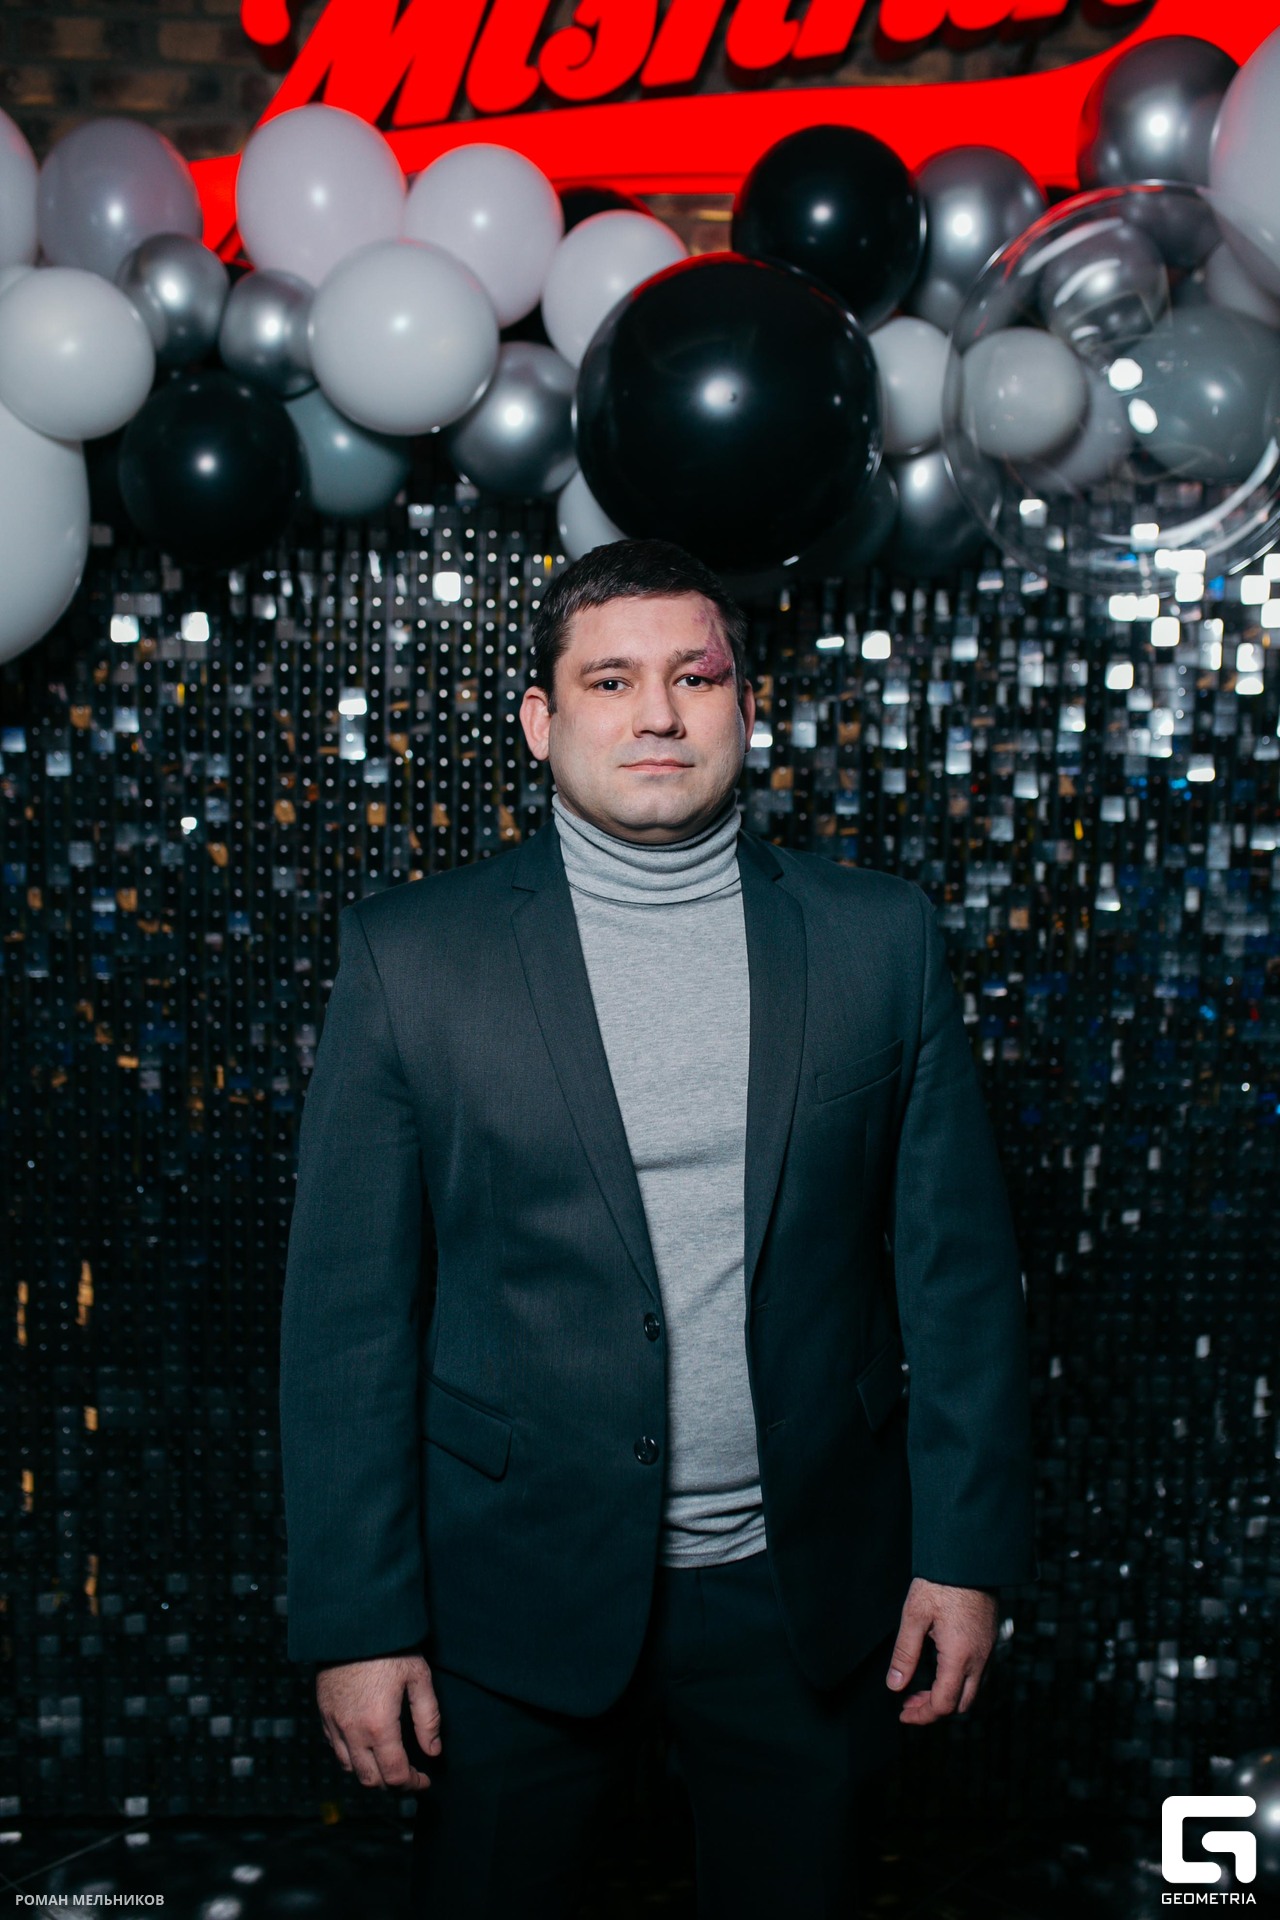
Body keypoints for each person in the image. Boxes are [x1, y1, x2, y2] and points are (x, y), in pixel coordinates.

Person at [278, 537, 1039, 1918]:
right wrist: (357, 1622)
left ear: (746, 705)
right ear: (541, 720)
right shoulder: (411, 957)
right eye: (610, 680)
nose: (658, 716)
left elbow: (961, 1283)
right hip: (513, 1599)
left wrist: (965, 1555)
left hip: (804, 1596)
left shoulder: (880, 939)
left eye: (693, 678)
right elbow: (347, 1322)